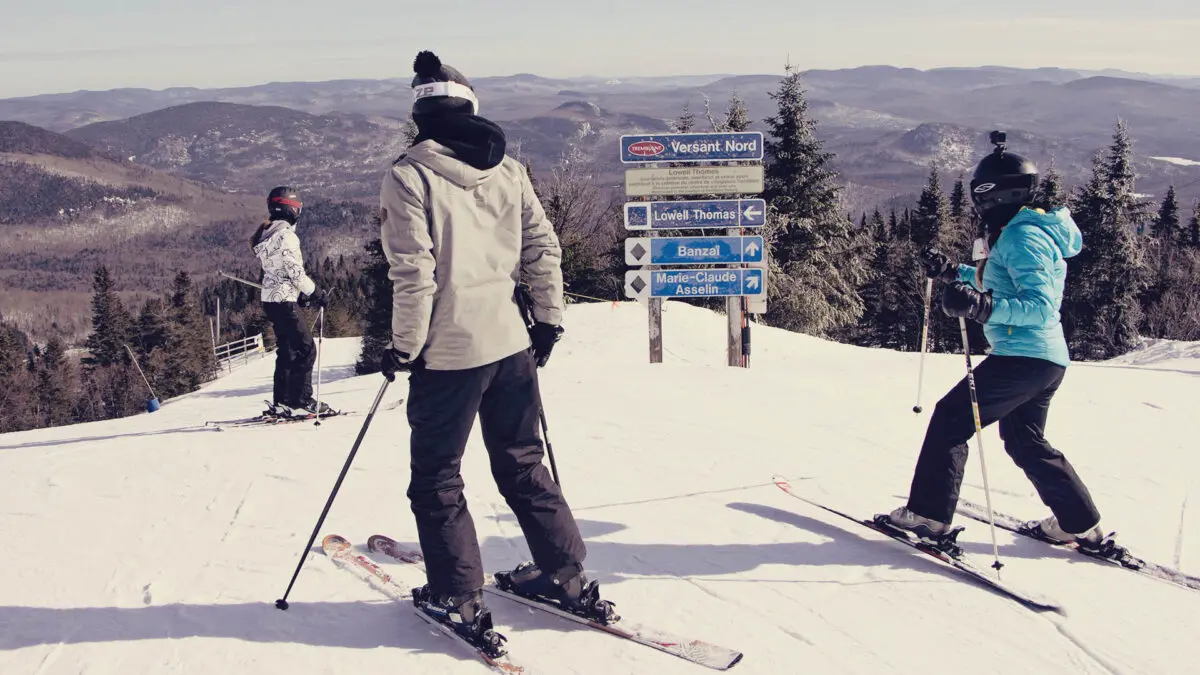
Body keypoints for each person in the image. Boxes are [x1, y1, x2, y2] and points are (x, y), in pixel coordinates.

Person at [376, 50, 608, 653]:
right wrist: (549, 319)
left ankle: (457, 593)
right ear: (471, 108)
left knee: (437, 479)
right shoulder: (507, 169)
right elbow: (543, 248)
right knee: (523, 462)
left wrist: (403, 348)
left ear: (421, 116)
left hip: (450, 354)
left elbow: (414, 275)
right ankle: (566, 574)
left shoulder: (409, 175)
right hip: (512, 344)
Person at [881, 133, 1125, 559]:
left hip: (1024, 357)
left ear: (992, 195)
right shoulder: (1019, 232)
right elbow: (995, 280)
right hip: (1043, 359)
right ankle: (1079, 525)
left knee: (951, 418)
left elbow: (1040, 306)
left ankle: (927, 517)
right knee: (1025, 440)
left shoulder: (1022, 237)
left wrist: (983, 308)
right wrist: (951, 272)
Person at [250, 186, 331, 417]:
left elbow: (278, 273)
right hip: (283, 300)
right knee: (306, 349)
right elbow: (295, 273)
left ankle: (283, 402)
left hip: (273, 300)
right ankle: (301, 400)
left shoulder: (268, 234)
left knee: (287, 350)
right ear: (293, 209)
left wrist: (299, 298)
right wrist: (316, 293)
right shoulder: (286, 236)